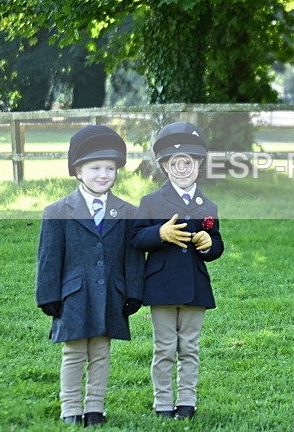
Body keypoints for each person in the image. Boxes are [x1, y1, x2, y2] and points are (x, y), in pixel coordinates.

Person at [35, 125, 144, 427]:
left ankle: (95, 408)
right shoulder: (57, 211)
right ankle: (70, 408)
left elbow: (132, 256)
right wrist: (48, 295)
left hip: (111, 293)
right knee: (74, 353)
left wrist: (133, 292)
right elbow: (48, 258)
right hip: (74, 295)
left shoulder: (127, 212)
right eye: (95, 168)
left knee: (100, 352)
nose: (103, 174)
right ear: (78, 171)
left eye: (110, 168)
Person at [131, 121, 224, 420]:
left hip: (195, 289)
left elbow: (217, 246)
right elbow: (135, 238)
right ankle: (163, 402)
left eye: (188, 162)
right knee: (165, 348)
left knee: (190, 348)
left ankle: (187, 401)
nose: (182, 168)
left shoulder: (207, 205)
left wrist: (210, 243)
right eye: (175, 163)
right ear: (164, 166)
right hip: (161, 288)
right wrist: (160, 234)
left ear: (199, 164)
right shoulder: (151, 202)